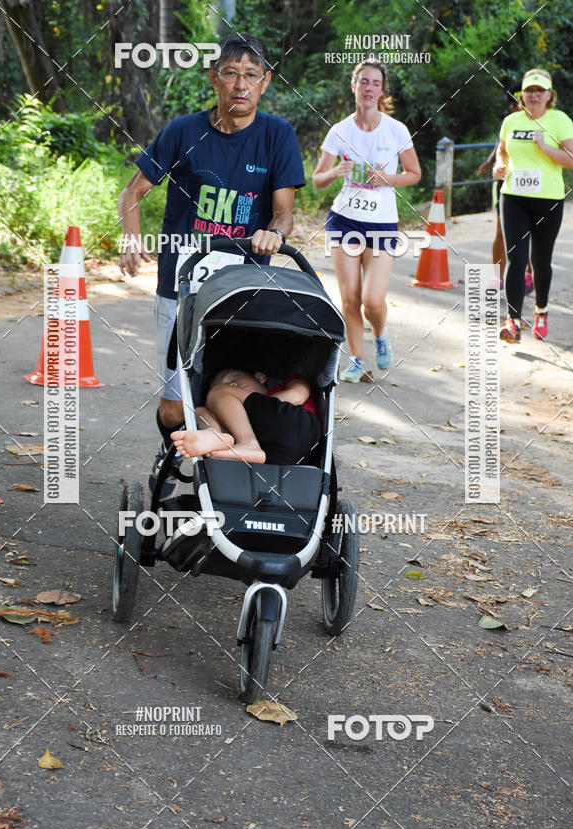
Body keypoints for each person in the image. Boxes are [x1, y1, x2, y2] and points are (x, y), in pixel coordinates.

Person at [117, 33, 305, 500]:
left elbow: (284, 210)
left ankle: (228, 454)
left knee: (227, 380)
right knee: (171, 404)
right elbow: (131, 193)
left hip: (243, 287)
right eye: (230, 73)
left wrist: (275, 233)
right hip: (181, 285)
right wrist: (130, 237)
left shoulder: (277, 135)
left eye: (250, 75)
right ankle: (198, 447)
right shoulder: (183, 131)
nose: (240, 85)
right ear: (213, 78)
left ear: (265, 82)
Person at [312, 61, 421, 382]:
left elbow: (414, 174)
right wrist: (336, 172)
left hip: (381, 224)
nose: (369, 88)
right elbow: (317, 179)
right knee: (350, 298)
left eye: (375, 83)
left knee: (373, 300)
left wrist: (386, 177)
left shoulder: (396, 130)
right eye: (364, 82)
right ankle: (357, 359)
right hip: (344, 220)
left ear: (381, 90)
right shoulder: (340, 131)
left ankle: (381, 334)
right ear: (354, 86)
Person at [494, 69, 573, 343]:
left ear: (549, 95)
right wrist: (499, 165)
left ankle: (541, 310)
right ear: (522, 95)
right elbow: (502, 149)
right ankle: (512, 321)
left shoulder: (559, 120)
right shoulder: (511, 121)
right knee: (516, 257)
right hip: (514, 196)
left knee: (540, 261)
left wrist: (545, 148)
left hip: (548, 201)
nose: (534, 95)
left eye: (540, 90)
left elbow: (571, 159)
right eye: (529, 90)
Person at [171, 369, 320, 466]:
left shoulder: (290, 383)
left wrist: (232, 400)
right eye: (228, 385)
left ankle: (246, 442)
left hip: (298, 426)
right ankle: (214, 433)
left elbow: (297, 395)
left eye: (233, 378)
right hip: (277, 456)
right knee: (199, 411)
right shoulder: (240, 425)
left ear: (260, 377)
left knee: (218, 393)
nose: (232, 385)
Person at [476, 95, 533, 293]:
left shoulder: (540, 125)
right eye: (514, 104)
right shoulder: (509, 123)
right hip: (505, 183)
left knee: (529, 232)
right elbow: (499, 147)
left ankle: (528, 275)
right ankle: (497, 278)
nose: (517, 107)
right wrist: (490, 163)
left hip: (529, 185)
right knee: (500, 231)